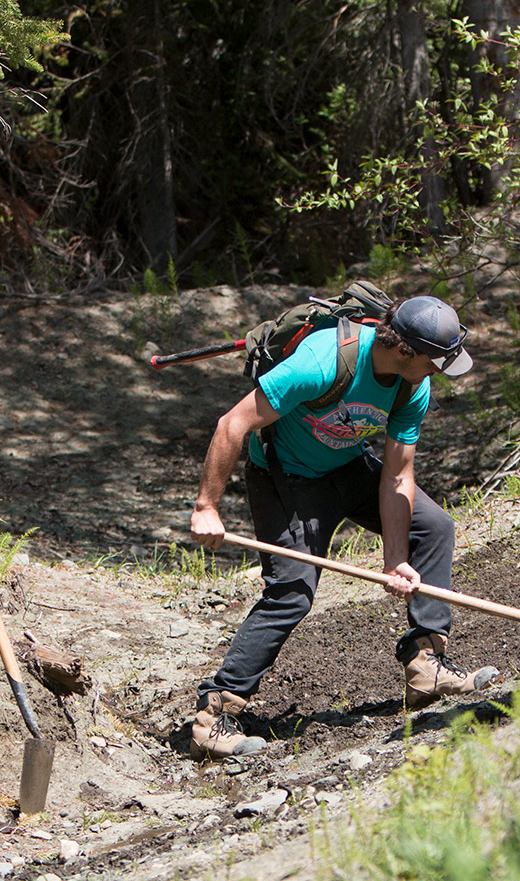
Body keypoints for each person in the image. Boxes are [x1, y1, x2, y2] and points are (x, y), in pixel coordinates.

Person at [185, 293, 500, 759]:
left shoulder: (412, 384)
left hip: (346, 466)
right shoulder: (321, 361)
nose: (439, 374)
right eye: (435, 362)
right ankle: (215, 713)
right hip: (285, 476)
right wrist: (206, 506)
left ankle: (425, 661)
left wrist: (396, 559)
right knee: (291, 592)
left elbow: (397, 475)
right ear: (405, 351)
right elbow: (232, 424)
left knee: (433, 527)